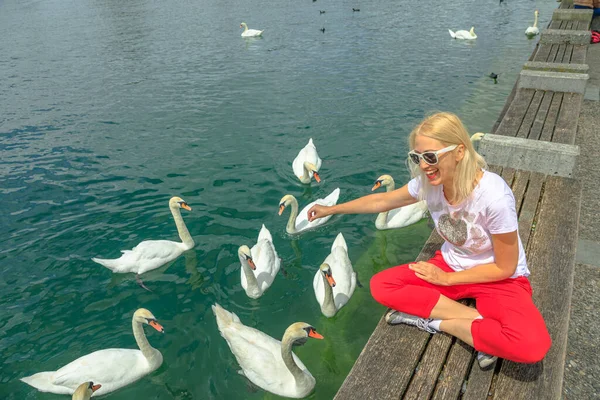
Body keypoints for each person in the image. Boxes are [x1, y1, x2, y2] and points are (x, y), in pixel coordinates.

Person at [307, 112, 551, 369]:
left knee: (533, 346)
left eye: (431, 156)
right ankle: (483, 327)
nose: (423, 165)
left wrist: (447, 280)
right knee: (381, 285)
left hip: (496, 278)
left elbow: (505, 267)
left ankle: (434, 322)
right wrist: (331, 209)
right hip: (449, 264)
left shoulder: (494, 197)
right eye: (417, 157)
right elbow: (381, 201)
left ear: (459, 152)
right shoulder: (428, 184)